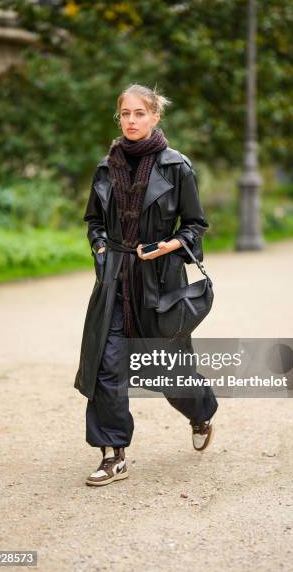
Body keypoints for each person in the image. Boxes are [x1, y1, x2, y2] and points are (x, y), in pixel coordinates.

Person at [74, 83, 218, 487]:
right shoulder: (106, 167)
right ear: (118, 117)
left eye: (140, 113)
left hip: (159, 284)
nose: (132, 120)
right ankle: (112, 453)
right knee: (106, 366)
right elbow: (94, 222)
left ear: (155, 116)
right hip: (114, 281)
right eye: (125, 113)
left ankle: (201, 412)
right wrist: (101, 248)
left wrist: (168, 245)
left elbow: (195, 226)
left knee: (166, 372)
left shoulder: (177, 167)